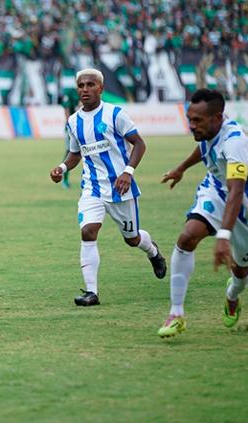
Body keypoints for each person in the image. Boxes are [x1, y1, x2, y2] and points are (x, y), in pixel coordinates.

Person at [157, 89, 248, 338]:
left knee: (240, 271)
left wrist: (223, 237)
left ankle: (232, 295)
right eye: (190, 119)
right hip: (217, 191)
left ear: (217, 118)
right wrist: (181, 168)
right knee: (187, 237)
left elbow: (237, 192)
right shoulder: (210, 131)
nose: (192, 126)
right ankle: (176, 314)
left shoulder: (236, 143)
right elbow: (206, 147)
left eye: (197, 121)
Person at [49, 68, 167, 306]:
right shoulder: (73, 121)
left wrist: (127, 172)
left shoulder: (115, 114)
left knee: (132, 238)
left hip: (120, 188)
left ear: (100, 88)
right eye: (81, 86)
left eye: (90, 85)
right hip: (92, 188)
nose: (85, 90)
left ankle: (153, 252)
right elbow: (75, 154)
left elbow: (139, 144)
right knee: (88, 231)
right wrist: (62, 168)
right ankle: (91, 293)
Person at [59, 86, 80, 189]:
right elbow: (66, 110)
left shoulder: (88, 92)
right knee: (70, 152)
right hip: (71, 128)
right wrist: (70, 125)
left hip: (84, 127)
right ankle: (65, 178)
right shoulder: (70, 93)